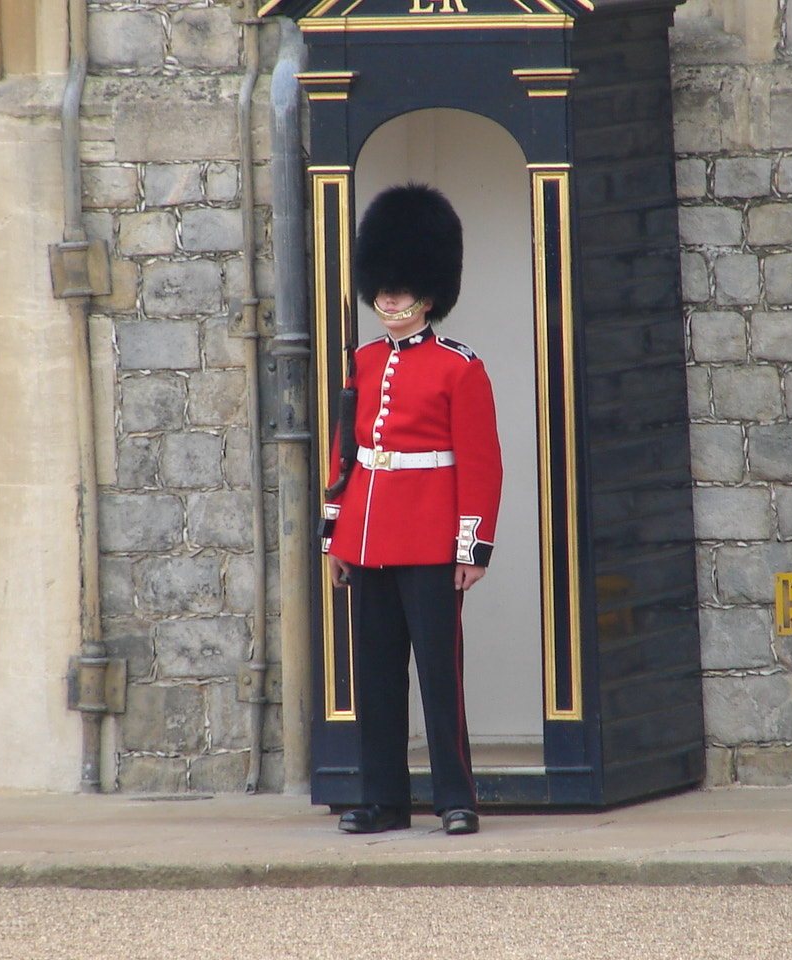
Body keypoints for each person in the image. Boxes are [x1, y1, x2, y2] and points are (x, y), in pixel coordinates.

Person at [321, 183, 503, 836]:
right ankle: (384, 799)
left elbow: (481, 465)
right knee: (375, 678)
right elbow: (348, 457)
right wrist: (335, 541)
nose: (389, 299)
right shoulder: (364, 362)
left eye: (402, 289)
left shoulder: (461, 369)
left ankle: (457, 798)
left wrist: (471, 550)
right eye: (384, 288)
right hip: (369, 536)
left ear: (429, 294)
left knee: (438, 677)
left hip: (429, 539)